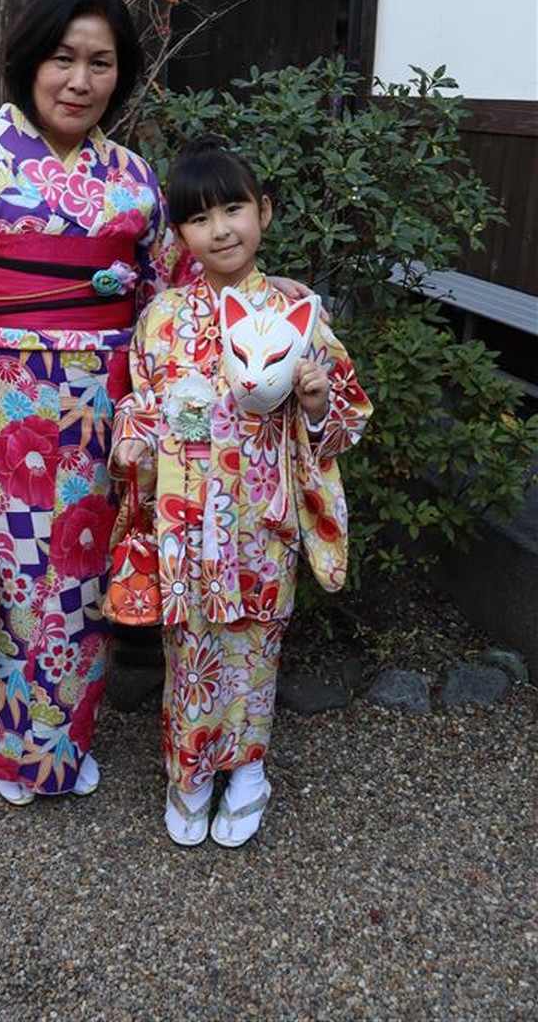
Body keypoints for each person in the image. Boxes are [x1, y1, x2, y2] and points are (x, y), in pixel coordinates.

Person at [0, 0, 309, 806]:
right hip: (4, 415)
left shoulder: (132, 180)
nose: (79, 80)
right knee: (23, 587)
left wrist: (256, 299)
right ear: (32, 62)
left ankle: (60, 744)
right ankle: (15, 752)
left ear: (119, 75)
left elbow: (179, 290)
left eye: (101, 63)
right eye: (63, 59)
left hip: (111, 416)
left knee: (88, 584)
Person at [111, 138, 372, 847]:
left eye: (234, 210)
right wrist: (132, 438)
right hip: (184, 514)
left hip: (260, 515)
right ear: (179, 234)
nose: (221, 230)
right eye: (199, 218)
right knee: (188, 646)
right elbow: (141, 398)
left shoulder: (297, 313)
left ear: (264, 212)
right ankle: (190, 771)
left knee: (257, 642)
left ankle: (249, 768)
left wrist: (316, 405)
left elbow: (347, 418)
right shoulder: (162, 317)